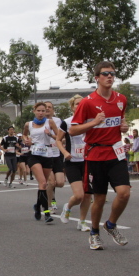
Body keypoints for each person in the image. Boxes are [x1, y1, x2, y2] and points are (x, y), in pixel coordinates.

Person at [70, 61, 130, 250]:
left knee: (124, 193)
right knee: (100, 198)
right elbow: (73, 130)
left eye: (112, 73)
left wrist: (124, 126)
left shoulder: (121, 99)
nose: (110, 76)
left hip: (116, 152)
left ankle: (110, 224)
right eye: (105, 73)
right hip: (95, 154)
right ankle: (94, 233)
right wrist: (94, 123)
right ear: (97, 78)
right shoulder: (87, 102)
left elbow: (121, 120)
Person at [56, 94, 91, 231]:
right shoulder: (67, 122)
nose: (80, 106)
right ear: (72, 107)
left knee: (87, 195)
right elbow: (58, 140)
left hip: (88, 161)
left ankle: (82, 222)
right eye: (77, 104)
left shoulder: (91, 121)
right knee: (79, 195)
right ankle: (68, 207)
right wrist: (65, 153)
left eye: (82, 104)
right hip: (72, 161)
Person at [23, 102, 59, 223]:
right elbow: (24, 135)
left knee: (43, 185)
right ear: (34, 111)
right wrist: (27, 140)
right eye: (38, 110)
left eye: (43, 111)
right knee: (43, 182)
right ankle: (47, 213)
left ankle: (38, 206)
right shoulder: (29, 124)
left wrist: (51, 135)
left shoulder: (50, 122)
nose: (41, 113)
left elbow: (60, 137)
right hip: (34, 155)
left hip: (47, 154)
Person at [44, 101, 66, 212]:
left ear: (53, 110)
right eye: (45, 107)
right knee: (51, 182)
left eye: (49, 107)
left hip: (57, 154)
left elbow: (61, 137)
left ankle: (44, 191)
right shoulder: (38, 122)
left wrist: (51, 135)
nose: (47, 109)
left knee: (60, 183)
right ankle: (50, 204)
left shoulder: (58, 121)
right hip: (45, 155)